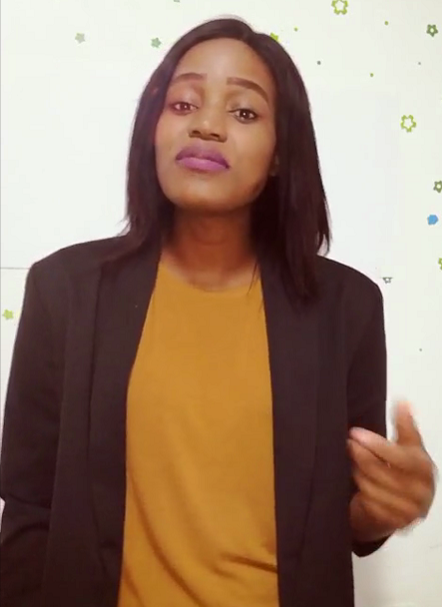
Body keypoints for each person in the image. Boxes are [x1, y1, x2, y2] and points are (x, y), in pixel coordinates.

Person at [0, 17, 436, 607]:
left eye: (244, 112)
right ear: (152, 131)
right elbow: (28, 507)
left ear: (280, 154)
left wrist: (387, 507)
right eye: (183, 104)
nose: (206, 125)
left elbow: (346, 522)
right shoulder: (65, 291)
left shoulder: (346, 307)